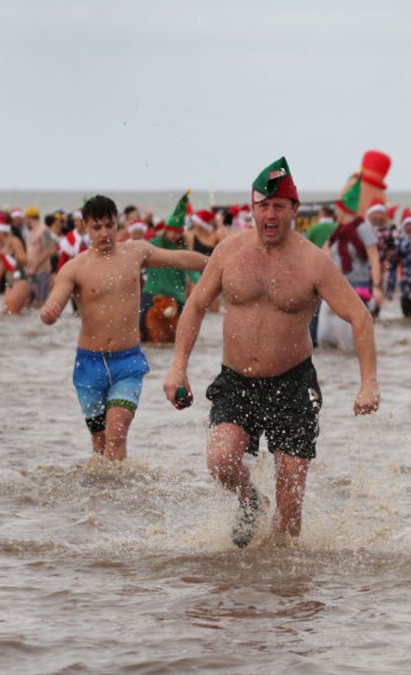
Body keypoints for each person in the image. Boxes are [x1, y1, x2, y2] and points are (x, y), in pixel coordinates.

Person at [162, 157, 379, 548]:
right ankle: (249, 499)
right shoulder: (229, 252)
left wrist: (368, 384)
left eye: (279, 206)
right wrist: (178, 368)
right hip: (236, 381)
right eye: (263, 206)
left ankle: (283, 594)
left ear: (294, 209)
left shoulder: (314, 262)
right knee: (220, 461)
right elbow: (195, 306)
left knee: (291, 504)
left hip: (293, 385)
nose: (270, 214)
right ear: (252, 209)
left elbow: (360, 318)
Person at [39, 195, 206, 460]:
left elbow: (179, 258)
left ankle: (119, 500)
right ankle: (102, 499)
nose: (104, 233)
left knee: (116, 434)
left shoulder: (135, 253)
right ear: (85, 227)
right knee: (99, 444)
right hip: (89, 366)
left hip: (126, 363)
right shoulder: (74, 268)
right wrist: (49, 313)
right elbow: (55, 302)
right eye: (97, 227)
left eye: (109, 225)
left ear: (118, 223)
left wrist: (215, 264)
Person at [139, 195, 199, 343]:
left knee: (182, 335)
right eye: (173, 231)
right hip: (151, 292)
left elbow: (192, 271)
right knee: (139, 330)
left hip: (176, 296)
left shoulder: (182, 248)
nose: (175, 235)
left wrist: (203, 283)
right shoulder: (152, 243)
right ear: (166, 229)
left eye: (178, 232)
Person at [0, 212, 32, 314]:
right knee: (7, 313)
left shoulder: (14, 241)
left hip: (21, 279)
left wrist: (13, 254)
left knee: (13, 313)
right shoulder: (2, 243)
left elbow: (25, 260)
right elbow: (3, 262)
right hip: (10, 279)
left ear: (1, 230)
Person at [25, 212, 58, 305]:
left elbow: (50, 250)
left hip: (41, 271)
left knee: (40, 303)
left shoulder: (44, 230)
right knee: (29, 303)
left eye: (25, 220)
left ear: (29, 219)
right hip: (31, 271)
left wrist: (36, 265)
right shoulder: (32, 231)